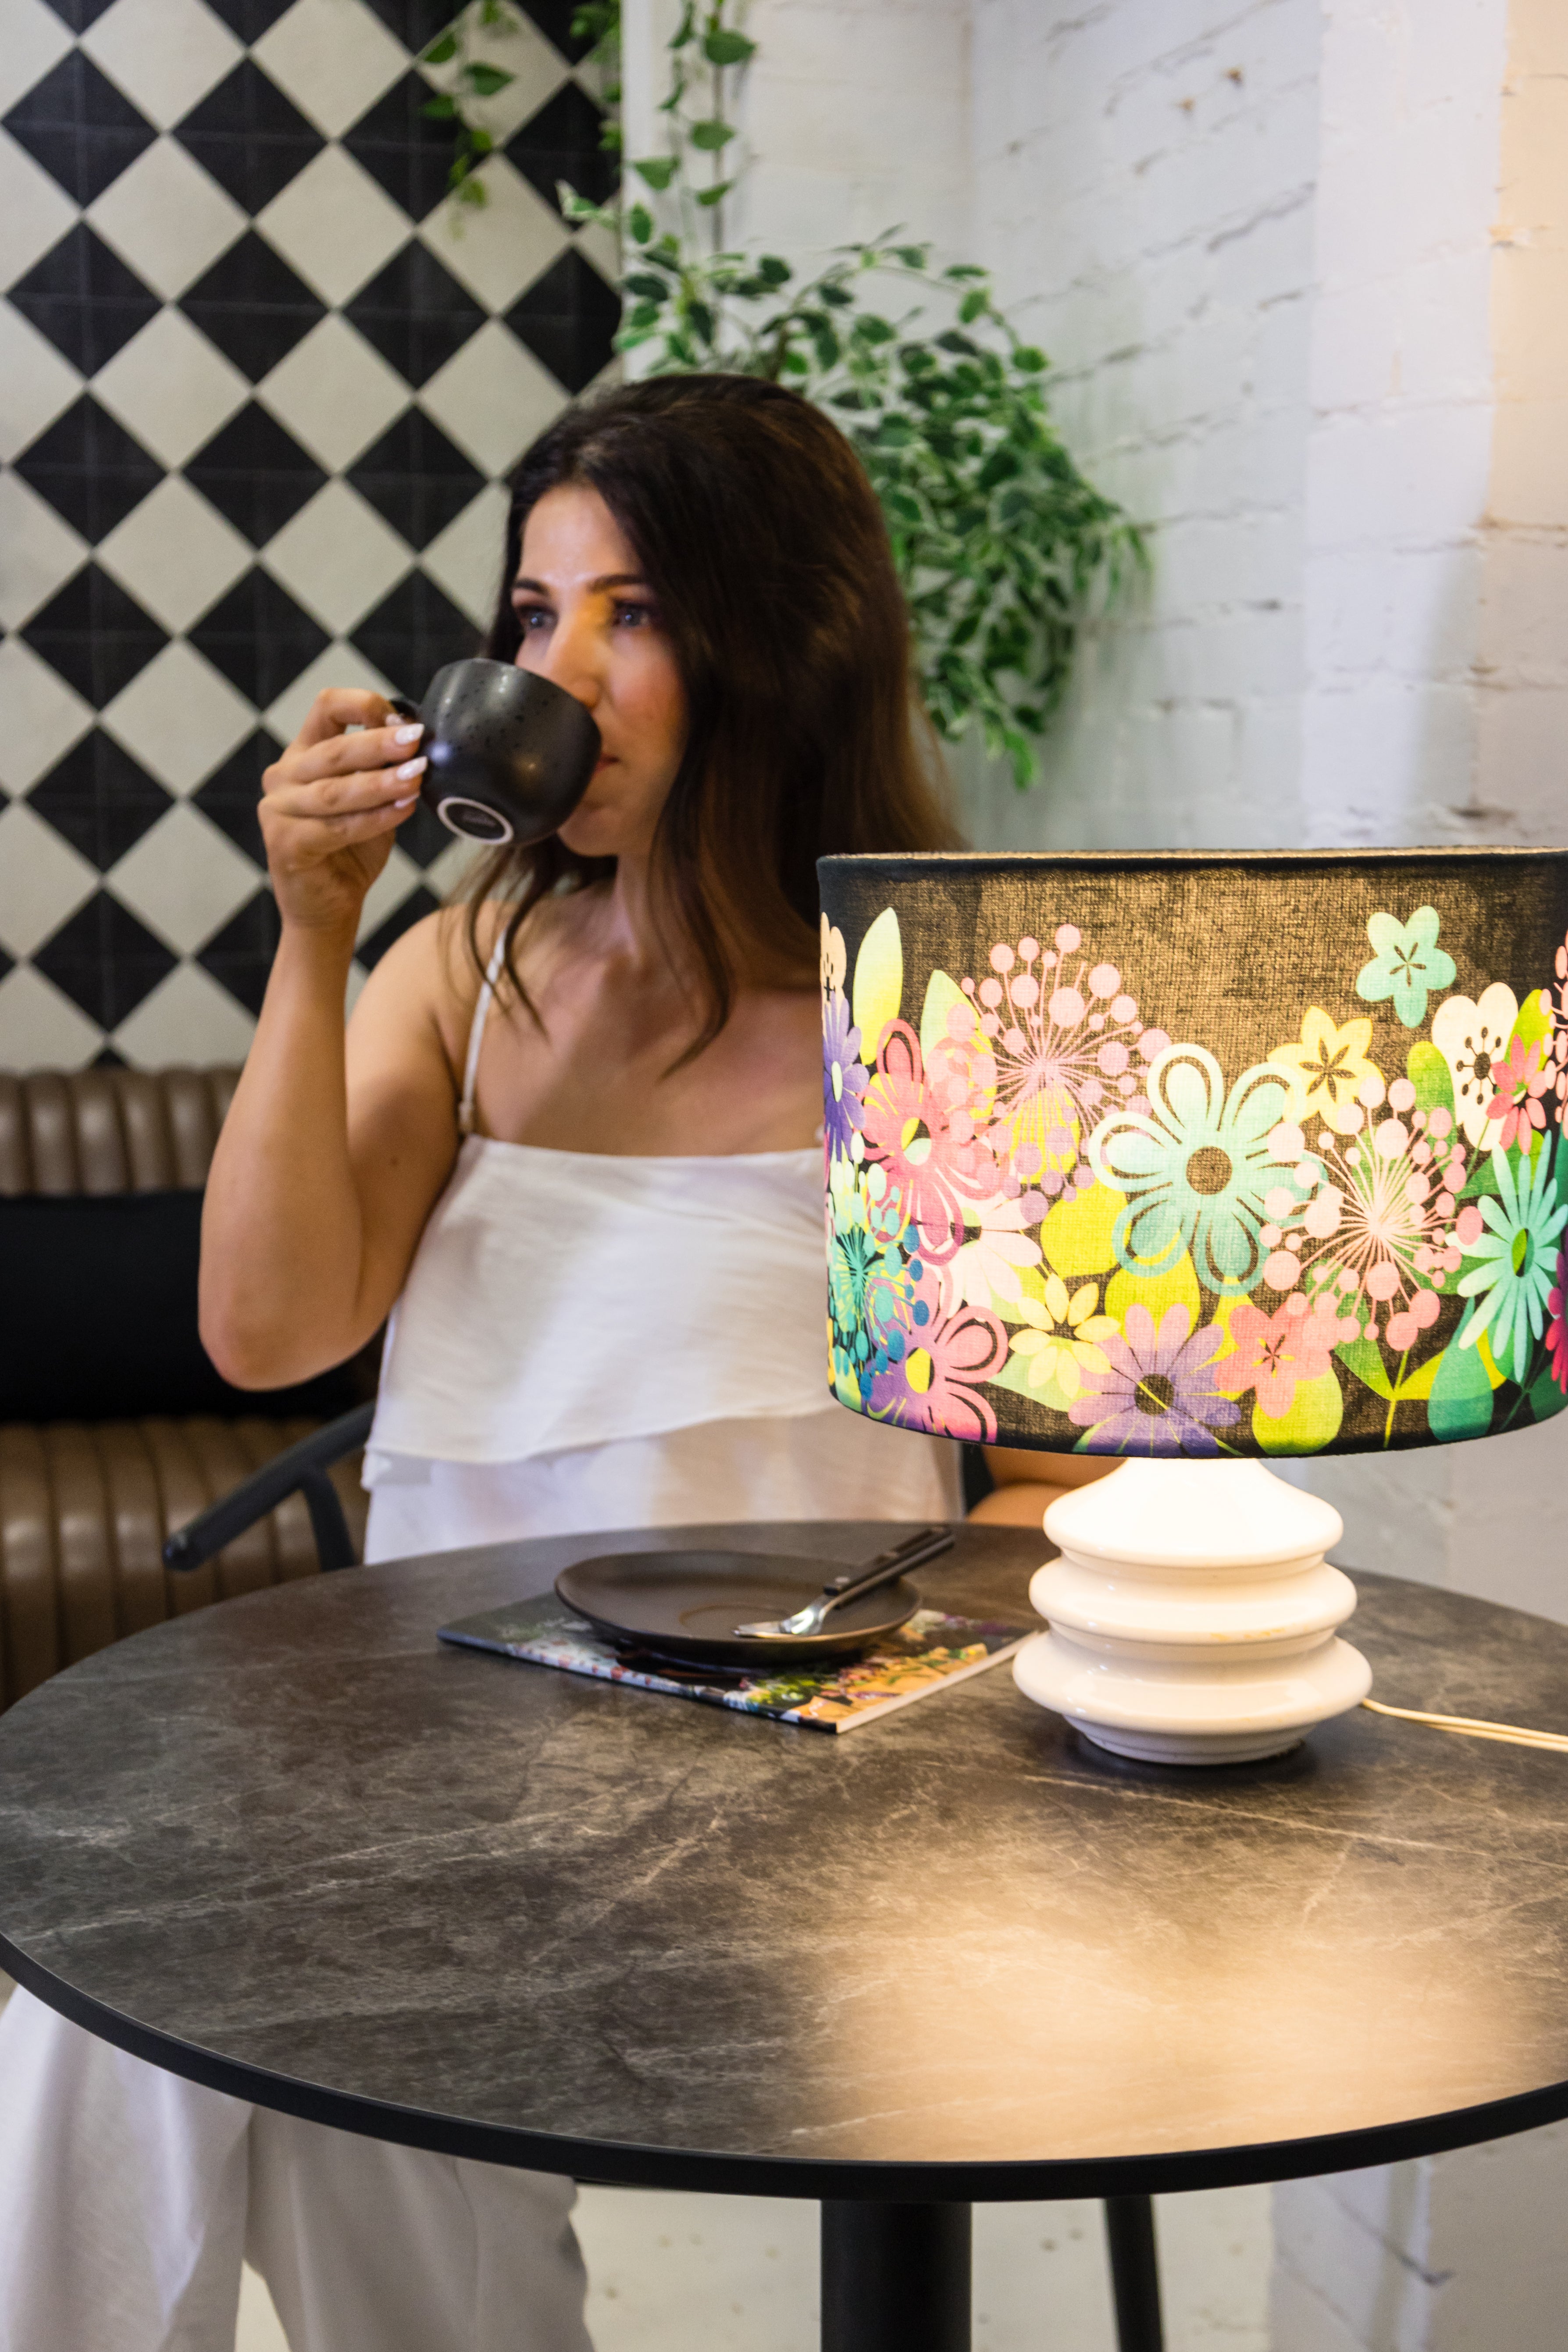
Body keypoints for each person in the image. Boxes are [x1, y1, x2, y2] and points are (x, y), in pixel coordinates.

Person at [0, 375, 1098, 2352]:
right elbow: (269, 1327)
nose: (557, 667)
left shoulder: (922, 1029)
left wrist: (880, 1669)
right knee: (116, 2017)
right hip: (427, 1748)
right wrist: (316, 936)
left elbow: (1052, 1501)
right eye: (531, 614)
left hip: (773, 1786)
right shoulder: (470, 970)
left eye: (635, 612)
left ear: (781, 644)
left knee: (182, 2013)